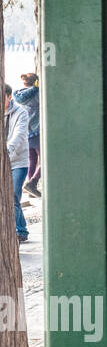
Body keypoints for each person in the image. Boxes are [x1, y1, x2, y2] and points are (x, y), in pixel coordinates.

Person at [5, 84, 30, 243]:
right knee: (11, 198)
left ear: (9, 97)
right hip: (3, 160)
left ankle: (16, 231)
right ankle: (21, 228)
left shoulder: (21, 112)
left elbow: (19, 134)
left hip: (18, 161)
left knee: (13, 194)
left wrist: (7, 151)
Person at [14, 73, 39, 197]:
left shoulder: (17, 96)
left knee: (32, 160)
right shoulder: (37, 94)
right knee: (46, 160)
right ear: (35, 82)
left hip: (25, 133)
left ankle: (30, 190)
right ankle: (32, 183)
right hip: (37, 131)